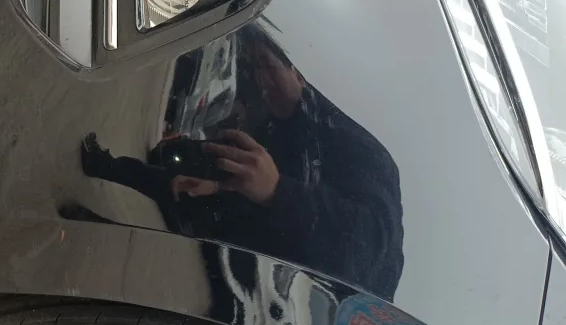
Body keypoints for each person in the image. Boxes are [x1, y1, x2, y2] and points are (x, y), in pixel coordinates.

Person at [80, 24, 404, 300]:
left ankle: (94, 238)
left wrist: (277, 190)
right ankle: (100, 170)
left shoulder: (354, 144)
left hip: (287, 306)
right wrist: (217, 186)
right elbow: (249, 179)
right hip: (238, 243)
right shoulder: (274, 128)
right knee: (170, 186)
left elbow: (366, 247)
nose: (263, 81)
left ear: (298, 75)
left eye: (269, 67)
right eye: (256, 71)